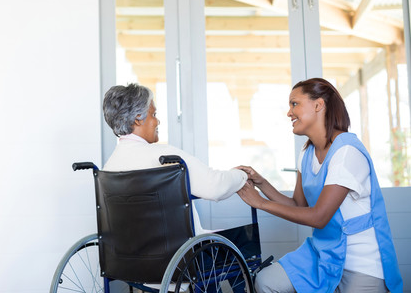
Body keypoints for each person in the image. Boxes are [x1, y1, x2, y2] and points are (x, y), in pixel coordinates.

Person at [236, 78, 402, 293]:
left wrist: (260, 203)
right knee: (266, 281)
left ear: (318, 105)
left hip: (361, 263)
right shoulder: (307, 153)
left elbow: (319, 217)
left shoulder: (346, 153)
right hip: (323, 253)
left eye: (294, 104)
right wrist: (262, 183)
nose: (289, 112)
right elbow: (298, 204)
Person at [102, 83, 248, 233]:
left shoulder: (108, 167)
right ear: (138, 118)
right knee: (243, 239)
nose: (157, 121)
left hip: (129, 252)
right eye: (154, 114)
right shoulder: (163, 157)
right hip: (179, 250)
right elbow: (215, 187)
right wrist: (242, 175)